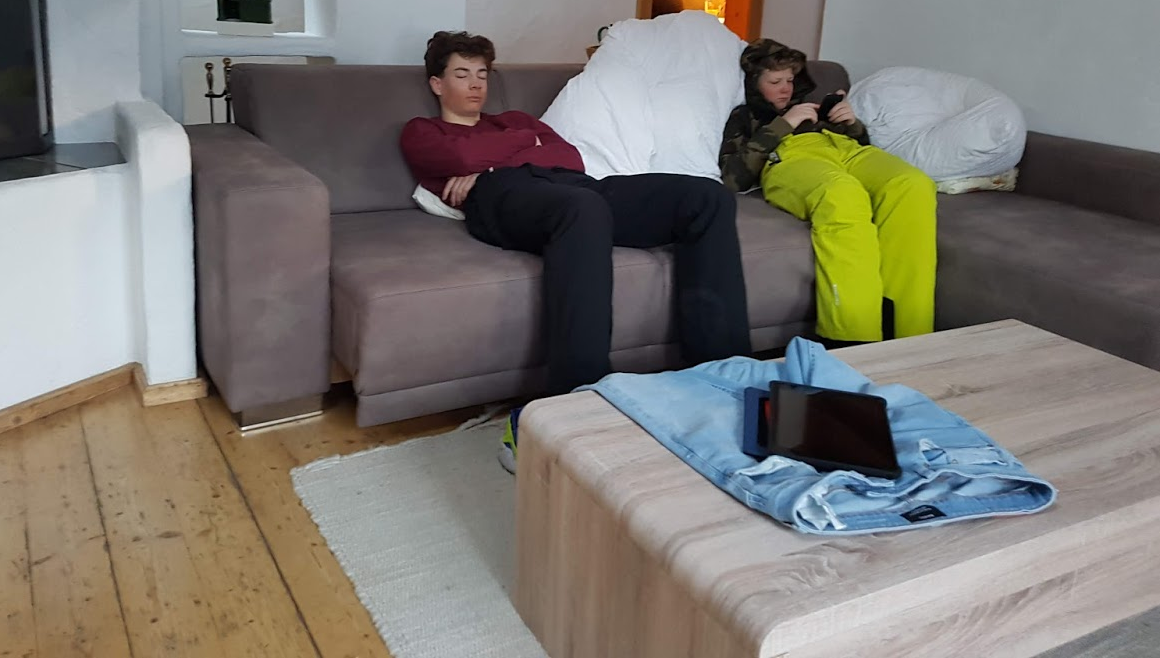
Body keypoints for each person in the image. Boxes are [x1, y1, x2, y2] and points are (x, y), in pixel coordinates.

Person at [401, 31, 752, 471]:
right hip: (502, 197)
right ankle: (573, 402)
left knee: (706, 197)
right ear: (437, 84)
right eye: (461, 74)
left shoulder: (512, 119)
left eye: (482, 74)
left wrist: (490, 160)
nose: (475, 84)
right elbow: (455, 158)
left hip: (576, 189)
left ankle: (719, 375)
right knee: (582, 208)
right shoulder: (423, 130)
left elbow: (569, 157)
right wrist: (521, 152)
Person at [718, 39, 936, 345]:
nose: (785, 89)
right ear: (754, 82)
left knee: (913, 184)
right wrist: (783, 125)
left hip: (843, 149)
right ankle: (854, 339)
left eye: (790, 80)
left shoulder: (814, 106)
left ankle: (913, 337)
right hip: (791, 158)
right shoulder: (744, 116)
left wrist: (851, 124)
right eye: (775, 82)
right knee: (841, 194)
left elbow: (862, 148)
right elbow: (733, 177)